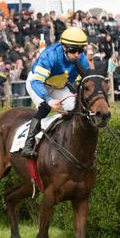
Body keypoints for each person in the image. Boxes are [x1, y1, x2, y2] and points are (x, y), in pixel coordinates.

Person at [20, 27, 91, 158]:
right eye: (73, 50)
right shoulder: (50, 55)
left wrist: (77, 90)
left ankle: (71, 142)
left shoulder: (81, 59)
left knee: (74, 108)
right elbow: (36, 82)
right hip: (38, 83)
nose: (77, 54)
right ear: (64, 47)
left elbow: (85, 80)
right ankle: (28, 144)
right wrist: (48, 99)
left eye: (80, 50)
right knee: (45, 107)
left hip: (59, 86)